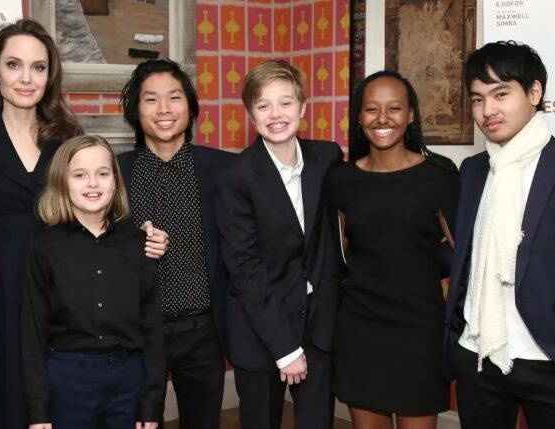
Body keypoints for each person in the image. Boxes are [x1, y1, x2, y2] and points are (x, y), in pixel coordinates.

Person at [0, 20, 167, 428]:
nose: (26, 78)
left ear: (49, 75)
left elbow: (97, 208)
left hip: (66, 294)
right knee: (0, 398)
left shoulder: (68, 137)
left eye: (38, 67)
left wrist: (142, 236)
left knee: (61, 405)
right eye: (14, 65)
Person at [444, 40, 555, 429]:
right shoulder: (473, 171)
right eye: (478, 99)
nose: (488, 110)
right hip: (478, 356)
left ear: (534, 93)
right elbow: (466, 258)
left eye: (501, 94)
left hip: (554, 362)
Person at [325, 70, 459, 429]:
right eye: (372, 109)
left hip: (420, 334)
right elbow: (338, 259)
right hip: (360, 331)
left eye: (394, 108)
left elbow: (465, 258)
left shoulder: (440, 177)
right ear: (359, 117)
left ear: (411, 114)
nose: (382, 118)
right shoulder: (341, 180)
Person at [216, 59, 345, 429]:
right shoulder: (236, 176)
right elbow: (245, 269)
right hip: (260, 330)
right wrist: (284, 349)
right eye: (263, 105)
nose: (276, 114)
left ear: (302, 107)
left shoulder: (328, 158)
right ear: (251, 115)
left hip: (318, 326)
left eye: (285, 103)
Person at [117, 59, 233, 429]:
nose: (164, 109)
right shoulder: (114, 173)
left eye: (175, 97)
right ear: (135, 110)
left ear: (190, 106)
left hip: (203, 333)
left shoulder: (225, 170)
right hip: (134, 334)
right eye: (151, 99)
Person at [21, 135, 165, 429]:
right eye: (79, 175)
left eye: (102, 173)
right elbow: (32, 332)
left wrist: (151, 402)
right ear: (62, 182)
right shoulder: (44, 246)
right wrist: (38, 409)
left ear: (115, 181)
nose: (92, 184)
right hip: (67, 380)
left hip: (128, 380)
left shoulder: (138, 244)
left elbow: (152, 329)